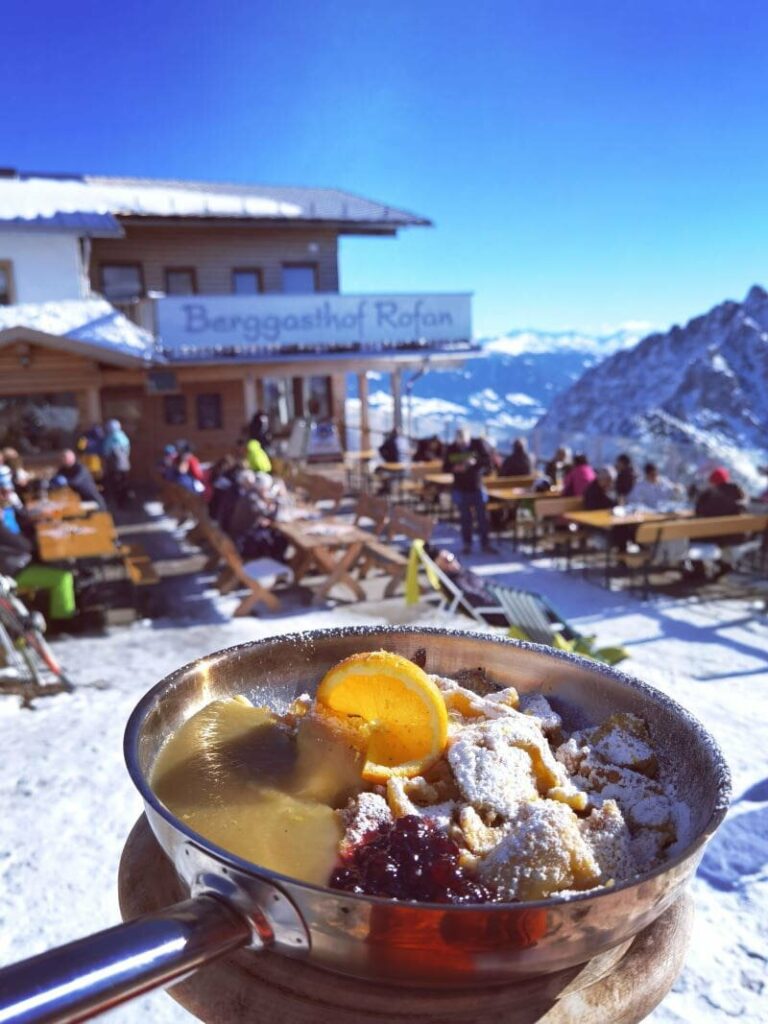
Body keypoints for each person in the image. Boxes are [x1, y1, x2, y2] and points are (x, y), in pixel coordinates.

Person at [443, 428, 497, 554]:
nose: (462, 445)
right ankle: (467, 544)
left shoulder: (477, 444)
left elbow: (487, 462)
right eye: (460, 443)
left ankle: (485, 544)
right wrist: (455, 468)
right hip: (461, 488)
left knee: (482, 518)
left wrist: (474, 463)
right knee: (465, 519)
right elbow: (445, 467)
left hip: (476, 486)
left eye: (464, 443)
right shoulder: (451, 448)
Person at [102, 419, 132, 507]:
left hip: (115, 466)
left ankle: (120, 502)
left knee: (117, 484)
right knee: (124, 483)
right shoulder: (123, 436)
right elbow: (127, 450)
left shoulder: (111, 437)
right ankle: (125, 500)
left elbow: (106, 451)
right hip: (125, 465)